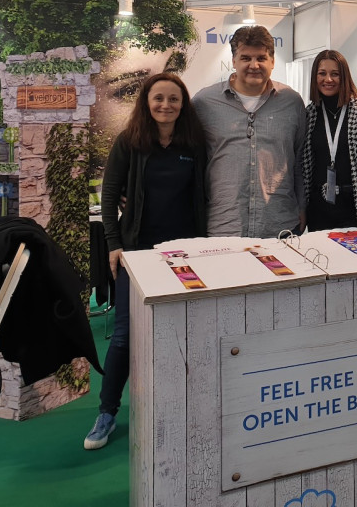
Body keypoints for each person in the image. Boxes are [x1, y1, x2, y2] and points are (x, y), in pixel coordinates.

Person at [84, 73, 207, 450]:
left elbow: (202, 194)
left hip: (183, 253)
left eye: (174, 99)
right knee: (124, 335)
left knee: (182, 330)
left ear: (183, 104)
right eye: (159, 98)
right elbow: (109, 196)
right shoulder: (130, 141)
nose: (166, 105)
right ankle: (107, 412)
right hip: (137, 252)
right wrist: (113, 245)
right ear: (146, 102)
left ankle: (180, 406)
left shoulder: (193, 143)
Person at [192, 25, 306, 237]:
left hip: (279, 226)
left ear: (272, 62)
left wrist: (303, 207)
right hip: (223, 227)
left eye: (261, 58)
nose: (254, 65)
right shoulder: (204, 103)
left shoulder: (292, 102)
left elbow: (300, 160)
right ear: (234, 61)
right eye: (246, 58)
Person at [301, 49, 357, 232]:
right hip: (319, 209)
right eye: (322, 73)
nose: (328, 79)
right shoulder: (309, 113)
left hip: (356, 206)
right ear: (315, 77)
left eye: (335, 74)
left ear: (344, 76)